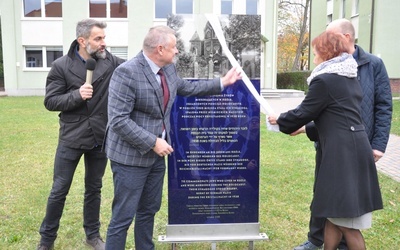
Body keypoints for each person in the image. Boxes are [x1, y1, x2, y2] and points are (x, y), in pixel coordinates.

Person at [104, 25, 242, 250]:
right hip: (130, 158)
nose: (177, 51)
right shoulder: (126, 72)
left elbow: (186, 88)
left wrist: (222, 83)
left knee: (149, 210)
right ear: (160, 49)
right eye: (174, 47)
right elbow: (118, 120)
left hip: (157, 157)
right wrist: (153, 141)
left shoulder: (168, 69)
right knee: (123, 216)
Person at [268, 31, 384, 250]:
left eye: (315, 52)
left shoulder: (325, 80)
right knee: (332, 215)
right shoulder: (347, 77)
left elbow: (305, 111)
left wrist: (280, 120)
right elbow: (335, 116)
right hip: (351, 149)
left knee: (348, 225)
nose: (313, 57)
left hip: (343, 156)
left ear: (326, 52)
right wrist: (304, 130)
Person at [37, 19, 125, 250]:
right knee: (59, 190)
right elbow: (50, 101)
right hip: (72, 137)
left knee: (94, 188)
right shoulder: (61, 66)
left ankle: (92, 236)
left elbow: (135, 68)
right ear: (82, 41)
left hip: (100, 137)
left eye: (104, 38)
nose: (104, 43)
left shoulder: (112, 63)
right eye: (98, 39)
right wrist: (77, 95)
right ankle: (46, 240)